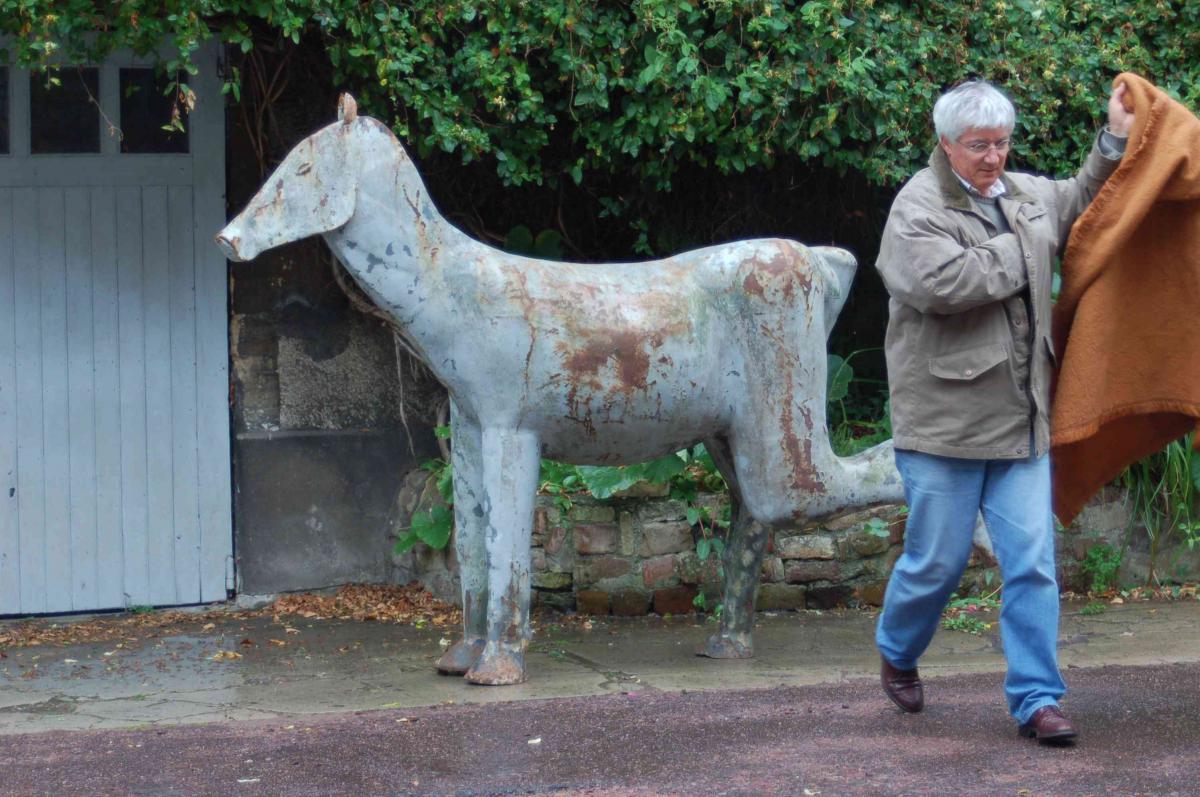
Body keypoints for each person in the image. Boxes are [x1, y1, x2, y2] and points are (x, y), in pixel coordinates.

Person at [873, 78, 1134, 745]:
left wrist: (1115, 140)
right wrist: (1028, 246)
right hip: (943, 426)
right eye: (979, 145)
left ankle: (1037, 699)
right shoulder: (916, 206)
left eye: (1002, 142)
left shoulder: (1022, 194)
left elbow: (1079, 201)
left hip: (1022, 420)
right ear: (946, 143)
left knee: (1032, 561)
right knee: (936, 563)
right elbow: (943, 283)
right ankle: (898, 648)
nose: (994, 157)